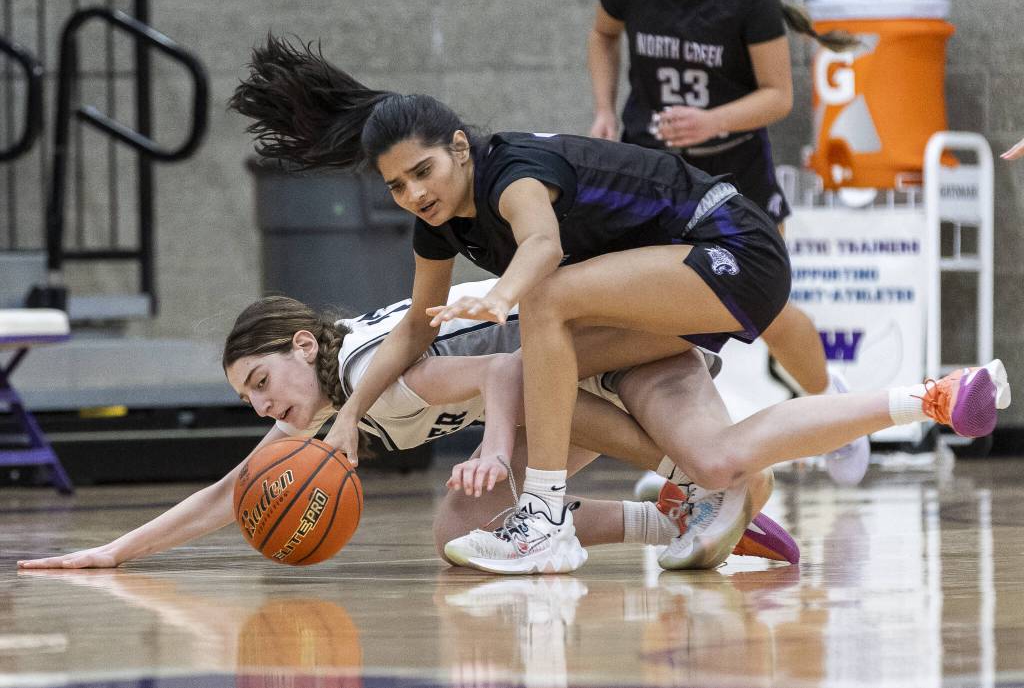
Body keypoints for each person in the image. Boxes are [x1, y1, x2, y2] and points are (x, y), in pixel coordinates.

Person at [227, 35, 1007, 576]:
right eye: (398, 186)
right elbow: (415, 329)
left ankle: (546, 521)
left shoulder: (512, 173)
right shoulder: (437, 223)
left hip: (729, 241)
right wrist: (347, 419)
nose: (415, 194)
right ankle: (933, 395)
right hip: (659, 307)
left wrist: (499, 294)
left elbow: (540, 250)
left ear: (460, 148)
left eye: (424, 172)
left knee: (544, 303)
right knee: (721, 460)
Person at [16, 281, 796, 572]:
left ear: (303, 345)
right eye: (246, 399)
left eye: (261, 382)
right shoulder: (328, 401)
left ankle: (708, 481)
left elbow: (510, 372)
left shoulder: (367, 369)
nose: (260, 406)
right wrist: (115, 550)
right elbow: (231, 491)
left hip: (628, 347)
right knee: (461, 530)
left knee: (710, 459)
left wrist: (495, 445)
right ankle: (665, 514)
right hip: (581, 377)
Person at [586, 0, 870, 487]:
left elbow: (778, 96)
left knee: (769, 311)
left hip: (736, 175)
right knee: (660, 319)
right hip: (654, 172)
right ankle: (686, 454)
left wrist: (710, 122)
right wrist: (604, 108)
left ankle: (834, 410)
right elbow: (602, 35)